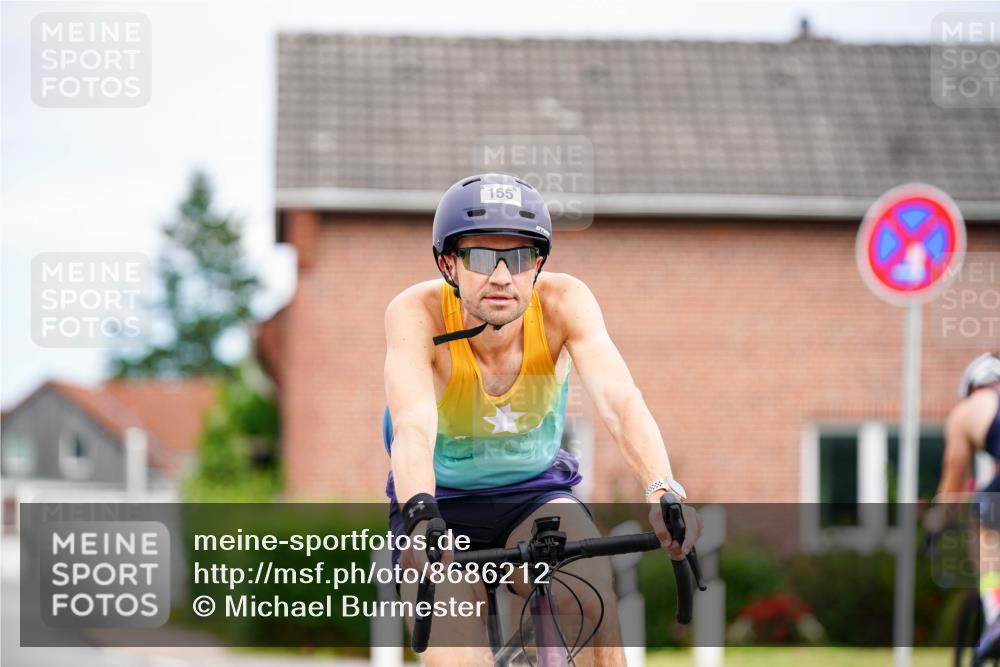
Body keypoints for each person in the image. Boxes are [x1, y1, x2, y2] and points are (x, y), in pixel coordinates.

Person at [382, 173, 702, 666]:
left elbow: (620, 400)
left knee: (592, 599)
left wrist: (663, 490)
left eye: (519, 258)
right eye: (481, 257)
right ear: (448, 263)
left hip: (534, 494)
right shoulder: (415, 312)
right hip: (438, 503)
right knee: (454, 656)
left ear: (537, 264)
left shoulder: (564, 303)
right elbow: (412, 427)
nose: (501, 277)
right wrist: (421, 518)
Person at [925, 352, 1000, 659]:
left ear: (972, 386)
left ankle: (997, 612)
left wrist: (935, 524)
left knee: (982, 516)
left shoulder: (969, 410)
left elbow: (953, 485)